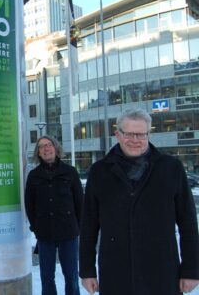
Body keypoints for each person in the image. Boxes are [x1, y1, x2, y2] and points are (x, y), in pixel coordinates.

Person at [79, 108, 199, 295]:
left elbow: (188, 222)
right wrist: (87, 271)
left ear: (149, 134)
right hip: (116, 271)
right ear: (117, 134)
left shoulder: (171, 168)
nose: (136, 140)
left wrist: (191, 269)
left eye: (142, 134)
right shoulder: (99, 171)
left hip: (161, 270)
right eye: (129, 134)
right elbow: (89, 225)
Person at [25, 135, 83, 295]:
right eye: (42, 146)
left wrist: (77, 227)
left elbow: (80, 202)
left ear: (56, 149)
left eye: (49, 145)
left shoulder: (70, 172)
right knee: (46, 276)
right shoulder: (34, 176)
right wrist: (36, 227)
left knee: (71, 275)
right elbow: (29, 205)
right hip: (45, 233)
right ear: (38, 153)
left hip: (68, 233)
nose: (46, 148)